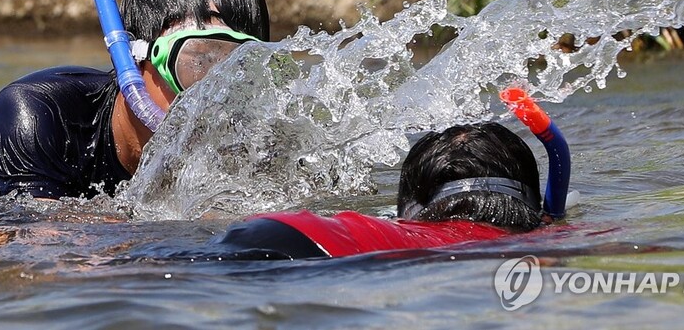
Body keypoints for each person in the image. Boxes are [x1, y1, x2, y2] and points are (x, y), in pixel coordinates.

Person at [0, 0, 270, 200]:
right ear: (134, 58)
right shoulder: (41, 113)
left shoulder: (261, 144)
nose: (216, 93)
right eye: (198, 62)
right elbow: (27, 245)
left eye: (240, 68)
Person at [213, 88, 571, 259]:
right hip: (300, 244)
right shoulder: (543, 243)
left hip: (278, 232)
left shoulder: (398, 231)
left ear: (410, 208)